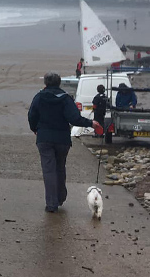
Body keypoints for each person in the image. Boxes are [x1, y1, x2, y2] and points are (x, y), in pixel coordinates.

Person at [28, 72, 98, 213]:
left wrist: (35, 129)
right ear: (59, 83)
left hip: (44, 138)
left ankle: (51, 204)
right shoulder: (66, 98)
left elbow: (31, 115)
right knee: (60, 168)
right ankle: (60, 198)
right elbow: (74, 118)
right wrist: (91, 123)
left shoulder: (39, 97)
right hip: (62, 140)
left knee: (49, 171)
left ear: (46, 83)